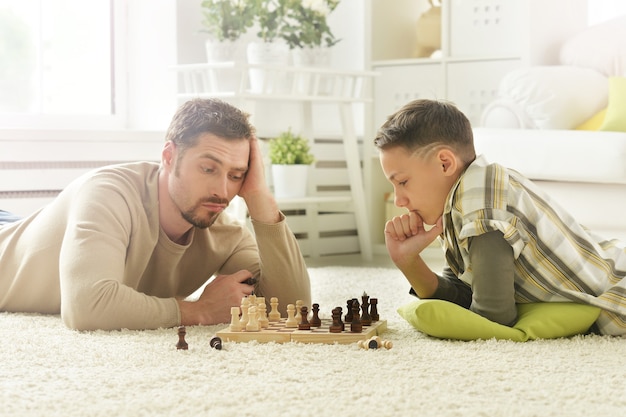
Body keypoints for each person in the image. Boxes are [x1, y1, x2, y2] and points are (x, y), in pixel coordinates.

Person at [0, 98, 311, 331]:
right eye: (208, 168)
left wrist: (260, 201)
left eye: (235, 175)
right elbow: (86, 307)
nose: (222, 191)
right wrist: (199, 310)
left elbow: (292, 307)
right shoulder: (108, 194)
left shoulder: (225, 234)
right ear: (168, 157)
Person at [374, 98, 626, 336]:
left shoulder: (481, 205)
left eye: (403, 182)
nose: (398, 200)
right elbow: (465, 291)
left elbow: (492, 317)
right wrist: (408, 262)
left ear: (444, 164)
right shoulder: (461, 199)